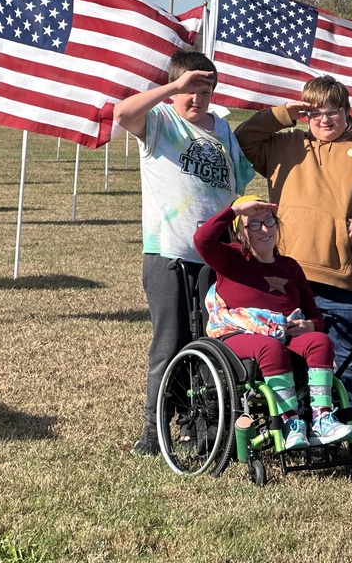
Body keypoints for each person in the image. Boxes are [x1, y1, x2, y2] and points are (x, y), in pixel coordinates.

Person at [234, 77, 352, 448]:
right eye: (315, 113)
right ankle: (304, 422)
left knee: (351, 354)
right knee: (294, 351)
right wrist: (283, 115)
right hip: (287, 274)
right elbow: (244, 138)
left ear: (347, 114)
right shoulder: (284, 145)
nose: (325, 119)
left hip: (346, 277)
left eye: (333, 112)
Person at [115, 50, 255, 456]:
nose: (198, 99)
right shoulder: (160, 121)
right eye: (191, 90)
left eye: (205, 91)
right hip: (169, 251)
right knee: (170, 340)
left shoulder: (224, 130)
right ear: (175, 89)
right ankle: (155, 425)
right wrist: (173, 88)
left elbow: (239, 182)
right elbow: (122, 114)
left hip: (217, 255)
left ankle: (201, 421)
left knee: (212, 338)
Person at [194, 196, 352, 448]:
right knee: (269, 347)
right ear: (240, 233)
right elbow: (202, 239)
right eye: (254, 225)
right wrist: (235, 210)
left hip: (285, 336)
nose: (264, 229)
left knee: (319, 341)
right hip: (237, 335)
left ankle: (322, 419)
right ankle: (291, 423)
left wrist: (310, 325)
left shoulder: (289, 267)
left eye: (269, 221)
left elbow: (315, 315)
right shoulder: (231, 259)